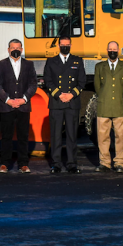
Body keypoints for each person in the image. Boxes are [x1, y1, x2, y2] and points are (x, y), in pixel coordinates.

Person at [0, 39, 37, 173]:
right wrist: (8, 100)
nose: (15, 50)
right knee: (6, 136)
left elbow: (33, 84)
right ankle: (5, 163)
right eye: (12, 48)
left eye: (18, 47)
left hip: (23, 106)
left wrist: (24, 99)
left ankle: (23, 164)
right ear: (8, 49)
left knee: (23, 136)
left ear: (22, 50)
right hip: (7, 107)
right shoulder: (0, 65)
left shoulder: (29, 64)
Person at [44, 36, 86, 174]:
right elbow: (48, 80)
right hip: (56, 102)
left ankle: (72, 163)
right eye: (62, 45)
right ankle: (56, 164)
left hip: (72, 103)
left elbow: (81, 82)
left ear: (71, 45)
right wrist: (59, 95)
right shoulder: (51, 61)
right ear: (58, 46)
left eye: (67, 45)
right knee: (56, 135)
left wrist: (71, 95)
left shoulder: (77, 61)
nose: (65, 47)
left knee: (71, 135)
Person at [93, 41, 123, 173]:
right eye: (110, 49)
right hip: (104, 106)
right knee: (103, 137)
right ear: (107, 50)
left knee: (121, 137)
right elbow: (98, 87)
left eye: (115, 49)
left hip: (120, 106)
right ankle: (104, 162)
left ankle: (119, 162)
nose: (112, 51)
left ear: (119, 51)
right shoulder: (99, 66)